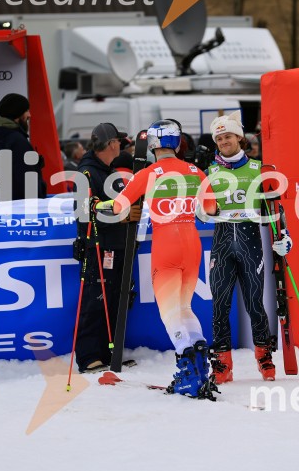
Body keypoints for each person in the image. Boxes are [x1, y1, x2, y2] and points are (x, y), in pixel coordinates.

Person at [95, 119, 218, 399]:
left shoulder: (149, 173)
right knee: (185, 307)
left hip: (166, 243)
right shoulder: (195, 171)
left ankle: (188, 372)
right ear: (176, 142)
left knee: (170, 312)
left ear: (152, 144)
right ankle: (200, 368)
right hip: (191, 241)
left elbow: (118, 206)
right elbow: (210, 209)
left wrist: (94, 205)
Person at [206, 111, 292, 384]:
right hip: (221, 244)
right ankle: (222, 363)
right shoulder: (210, 172)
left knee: (255, 303)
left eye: (228, 136)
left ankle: (264, 356)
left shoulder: (259, 169)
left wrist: (285, 237)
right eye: (219, 139)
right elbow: (201, 210)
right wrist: (203, 210)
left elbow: (276, 209)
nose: (224, 142)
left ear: (239, 138)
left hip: (250, 242)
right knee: (220, 304)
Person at [74, 123, 140, 373]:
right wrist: (120, 216)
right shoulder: (87, 173)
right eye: (119, 142)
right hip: (99, 249)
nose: (121, 146)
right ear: (111, 143)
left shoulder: (108, 171)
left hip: (117, 246)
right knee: (96, 301)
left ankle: (107, 353)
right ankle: (90, 357)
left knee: (114, 302)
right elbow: (84, 213)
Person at [0, 93, 47, 201]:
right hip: (19, 206)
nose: (29, 115)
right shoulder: (17, 140)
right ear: (17, 113)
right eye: (26, 110)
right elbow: (28, 182)